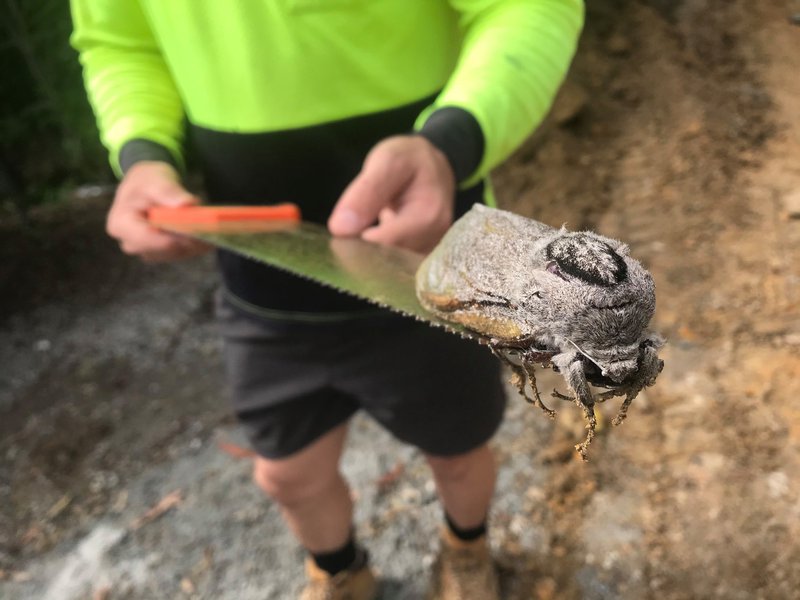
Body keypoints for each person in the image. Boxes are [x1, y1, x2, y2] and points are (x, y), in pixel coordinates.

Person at [70, 2, 583, 598]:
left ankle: (466, 548)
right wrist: (143, 155)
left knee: (461, 451)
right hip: (263, 288)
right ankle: (339, 571)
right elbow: (120, 43)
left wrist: (451, 144)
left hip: (430, 272)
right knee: (289, 475)